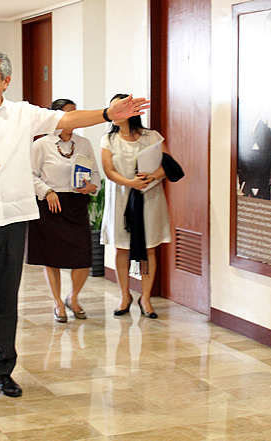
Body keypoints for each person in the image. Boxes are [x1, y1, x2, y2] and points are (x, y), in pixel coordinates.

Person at [0, 49, 148, 398]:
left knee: (7, 299)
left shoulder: (23, 114)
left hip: (14, 221)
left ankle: (2, 371)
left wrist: (108, 113)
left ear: (6, 81)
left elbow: (67, 121)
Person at [27, 98, 101, 323]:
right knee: (52, 258)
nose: (74, 119)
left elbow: (95, 174)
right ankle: (58, 302)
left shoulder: (84, 143)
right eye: (69, 114)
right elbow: (29, 175)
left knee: (83, 258)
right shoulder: (41, 144)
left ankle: (73, 297)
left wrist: (92, 187)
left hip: (76, 204)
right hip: (51, 204)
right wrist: (47, 191)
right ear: (56, 117)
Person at [101, 93, 171, 320]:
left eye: (118, 109)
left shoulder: (152, 137)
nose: (113, 114)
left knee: (149, 247)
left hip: (149, 198)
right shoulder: (108, 140)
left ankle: (146, 298)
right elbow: (109, 171)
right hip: (121, 198)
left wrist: (152, 177)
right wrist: (130, 182)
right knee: (121, 247)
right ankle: (124, 296)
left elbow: (168, 164)